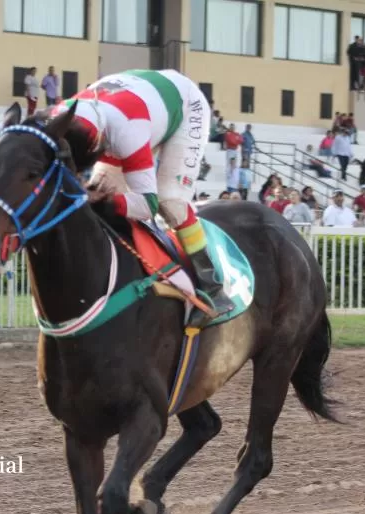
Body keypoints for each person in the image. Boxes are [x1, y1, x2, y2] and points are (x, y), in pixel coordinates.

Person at [52, 69, 232, 327]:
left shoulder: (128, 132)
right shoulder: (57, 118)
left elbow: (149, 205)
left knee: (171, 203)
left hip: (183, 106)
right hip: (135, 101)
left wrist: (109, 201)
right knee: (95, 190)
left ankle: (213, 288)